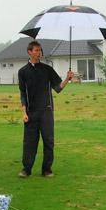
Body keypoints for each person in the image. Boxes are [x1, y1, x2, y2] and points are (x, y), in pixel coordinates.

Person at [17, 40, 73, 177]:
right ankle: (26, 169)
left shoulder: (47, 69)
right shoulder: (23, 72)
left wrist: (67, 79)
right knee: (30, 142)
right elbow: (23, 94)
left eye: (40, 50)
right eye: (36, 50)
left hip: (46, 111)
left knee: (49, 141)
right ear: (29, 52)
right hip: (31, 113)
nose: (39, 53)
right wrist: (24, 112)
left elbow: (58, 88)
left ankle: (47, 169)